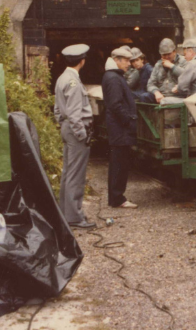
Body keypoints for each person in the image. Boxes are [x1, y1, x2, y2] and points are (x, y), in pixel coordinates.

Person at [54, 44, 95, 229]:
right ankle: (75, 218)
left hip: (66, 127)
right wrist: (81, 133)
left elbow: (58, 108)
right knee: (76, 175)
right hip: (76, 129)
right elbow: (74, 113)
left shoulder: (62, 78)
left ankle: (65, 213)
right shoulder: (74, 82)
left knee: (68, 172)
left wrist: (63, 123)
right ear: (82, 61)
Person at [102, 47, 138, 209]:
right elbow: (115, 104)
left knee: (119, 163)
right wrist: (128, 120)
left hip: (118, 128)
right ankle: (117, 198)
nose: (129, 64)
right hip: (120, 129)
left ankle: (116, 198)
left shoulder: (113, 76)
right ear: (117, 60)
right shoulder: (114, 78)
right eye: (126, 60)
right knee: (119, 164)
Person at [146, 38, 187, 103]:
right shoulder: (158, 65)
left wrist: (172, 66)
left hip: (177, 96)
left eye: (169, 54)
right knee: (144, 96)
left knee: (165, 101)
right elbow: (150, 84)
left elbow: (186, 76)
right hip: (161, 95)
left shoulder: (184, 61)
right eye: (164, 55)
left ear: (174, 52)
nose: (167, 57)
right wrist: (156, 92)